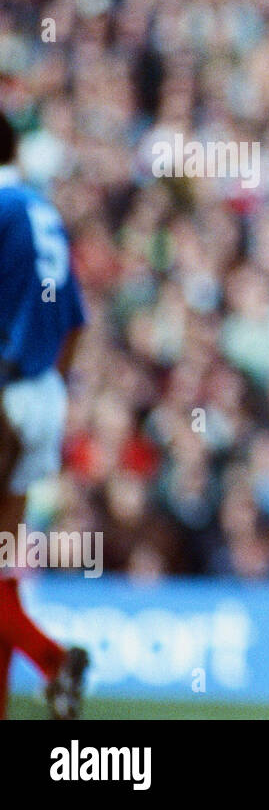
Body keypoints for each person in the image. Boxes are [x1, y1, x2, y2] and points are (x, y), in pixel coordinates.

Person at [0, 110, 90, 719]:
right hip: (42, 395)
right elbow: (77, 321)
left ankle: (52, 656)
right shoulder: (42, 211)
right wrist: (47, 390)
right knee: (2, 567)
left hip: (4, 390)